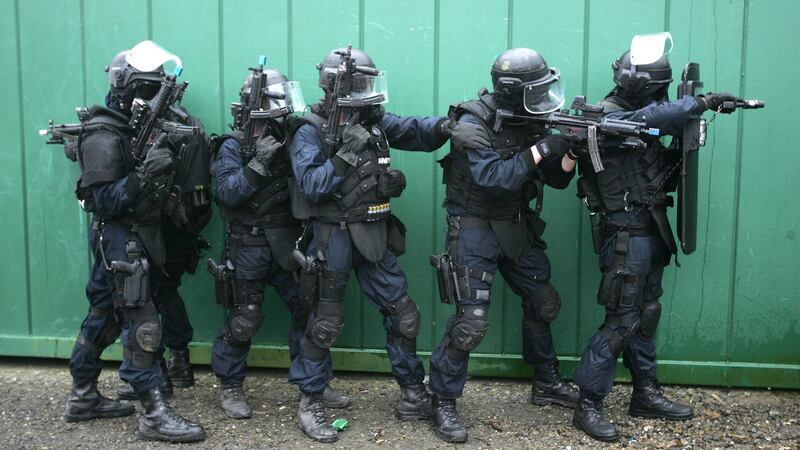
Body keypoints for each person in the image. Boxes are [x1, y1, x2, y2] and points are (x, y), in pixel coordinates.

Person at [287, 47, 479, 443]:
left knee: (403, 315)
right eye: (361, 83)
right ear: (337, 84)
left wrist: (446, 128)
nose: (368, 91)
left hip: (372, 233)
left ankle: (411, 392)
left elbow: (412, 129)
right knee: (324, 323)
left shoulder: (371, 120)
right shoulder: (310, 129)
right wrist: (345, 154)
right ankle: (311, 399)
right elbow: (311, 185)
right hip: (331, 236)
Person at [570, 36, 737, 442]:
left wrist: (687, 140)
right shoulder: (606, 118)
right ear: (650, 88)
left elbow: (652, 151)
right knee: (622, 320)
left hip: (650, 228)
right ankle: (588, 402)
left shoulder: (639, 117)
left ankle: (645, 393)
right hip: (625, 235)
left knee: (646, 315)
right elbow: (652, 117)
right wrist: (701, 102)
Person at [428, 48, 579, 443]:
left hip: (513, 225)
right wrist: (543, 148)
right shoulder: (472, 120)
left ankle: (546, 382)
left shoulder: (532, 119)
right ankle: (442, 399)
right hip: (474, 229)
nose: (544, 98)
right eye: (537, 90)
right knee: (470, 324)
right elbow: (493, 178)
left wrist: (570, 152)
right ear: (513, 91)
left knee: (543, 301)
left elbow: (557, 180)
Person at [62, 40, 205, 442]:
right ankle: (153, 413)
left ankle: (83, 395)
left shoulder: (132, 127)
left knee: (104, 314)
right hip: (120, 236)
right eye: (146, 86)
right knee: (143, 322)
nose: (152, 94)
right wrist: (144, 177)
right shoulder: (104, 132)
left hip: (138, 233)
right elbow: (104, 200)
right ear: (125, 85)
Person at [208, 64, 350, 419]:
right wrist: (256, 165)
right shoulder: (233, 146)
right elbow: (226, 194)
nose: (286, 111)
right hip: (248, 245)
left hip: (289, 243)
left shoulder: (295, 136)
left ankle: (314, 382)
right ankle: (230, 385)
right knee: (244, 318)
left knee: (308, 314)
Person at [117, 62, 212, 402]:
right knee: (162, 295)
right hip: (172, 227)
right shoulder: (180, 123)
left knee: (152, 298)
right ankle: (178, 364)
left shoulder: (171, 126)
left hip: (164, 228)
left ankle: (159, 375)